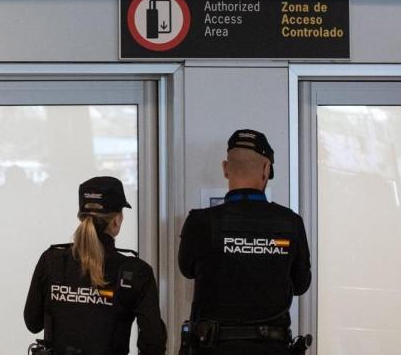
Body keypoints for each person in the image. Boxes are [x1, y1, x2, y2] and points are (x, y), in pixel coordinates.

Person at [178, 130, 312, 354]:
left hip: (213, 347)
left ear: (225, 168)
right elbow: (301, 284)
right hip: (271, 348)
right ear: (266, 169)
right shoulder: (291, 223)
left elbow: (187, 270)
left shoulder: (200, 221)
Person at [25, 176, 167, 355]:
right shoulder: (137, 271)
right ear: (116, 221)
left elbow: (33, 323)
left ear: (81, 218)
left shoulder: (51, 260)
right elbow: (153, 343)